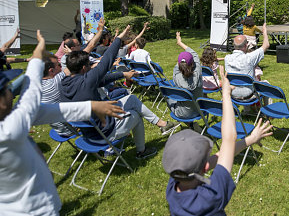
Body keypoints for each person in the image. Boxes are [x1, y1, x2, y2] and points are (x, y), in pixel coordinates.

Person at [0, 29, 126, 215]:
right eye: (6, 90)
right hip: (35, 209)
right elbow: (30, 91)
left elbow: (51, 109)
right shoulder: (10, 128)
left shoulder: (12, 122)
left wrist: (90, 107)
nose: (12, 92)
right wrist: (37, 54)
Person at [162, 66, 273, 216]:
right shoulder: (211, 196)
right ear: (205, 167)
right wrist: (226, 94)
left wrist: (251, 139)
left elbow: (222, 154)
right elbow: (228, 139)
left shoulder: (174, 185)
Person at [60, 25, 175, 159]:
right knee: (136, 115)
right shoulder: (88, 80)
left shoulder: (66, 83)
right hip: (102, 134)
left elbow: (102, 80)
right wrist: (119, 38)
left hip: (88, 132)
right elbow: (107, 60)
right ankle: (141, 152)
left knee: (131, 99)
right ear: (85, 68)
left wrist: (123, 75)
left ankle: (162, 124)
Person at [225, 23, 270, 100]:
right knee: (266, 83)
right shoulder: (250, 57)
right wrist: (264, 32)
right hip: (248, 93)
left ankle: (247, 110)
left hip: (233, 92)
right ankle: (266, 109)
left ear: (234, 46)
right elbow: (266, 45)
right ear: (246, 45)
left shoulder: (227, 58)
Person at [167, 32, 203, 119]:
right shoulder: (198, 71)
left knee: (168, 97)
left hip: (182, 113)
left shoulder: (176, 75)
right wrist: (180, 43)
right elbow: (194, 54)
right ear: (193, 64)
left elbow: (179, 66)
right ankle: (192, 125)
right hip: (199, 111)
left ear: (179, 65)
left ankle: (190, 125)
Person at [42, 54, 77, 137]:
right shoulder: (54, 82)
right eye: (59, 65)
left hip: (58, 129)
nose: (61, 67)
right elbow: (76, 63)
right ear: (51, 71)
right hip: (71, 129)